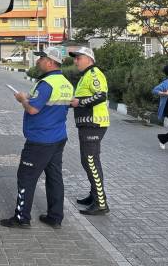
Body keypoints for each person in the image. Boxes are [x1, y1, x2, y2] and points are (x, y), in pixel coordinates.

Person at [0, 47, 73, 229]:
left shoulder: (46, 84)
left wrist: (22, 99)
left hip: (40, 140)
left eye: (41, 58)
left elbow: (33, 109)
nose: (38, 61)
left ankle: (21, 218)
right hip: (58, 138)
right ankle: (55, 217)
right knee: (54, 177)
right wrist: (29, 98)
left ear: (50, 62)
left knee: (26, 177)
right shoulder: (65, 83)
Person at [69, 46, 110, 216]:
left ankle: (101, 203)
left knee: (91, 161)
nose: (75, 61)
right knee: (88, 161)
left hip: (94, 123)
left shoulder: (94, 74)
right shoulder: (86, 76)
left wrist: (80, 102)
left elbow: (101, 95)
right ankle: (95, 196)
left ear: (89, 59)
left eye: (78, 57)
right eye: (75, 58)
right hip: (88, 124)